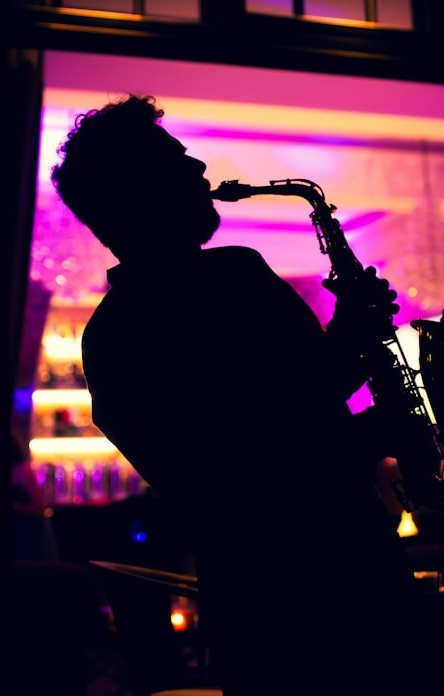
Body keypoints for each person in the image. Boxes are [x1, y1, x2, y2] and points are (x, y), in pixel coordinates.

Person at [50, 94, 425, 695]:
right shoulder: (209, 290)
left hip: (282, 587)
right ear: (134, 194)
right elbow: (240, 468)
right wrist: (367, 430)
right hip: (298, 589)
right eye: (177, 162)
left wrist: (350, 336)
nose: (199, 170)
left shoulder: (121, 329)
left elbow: (303, 395)